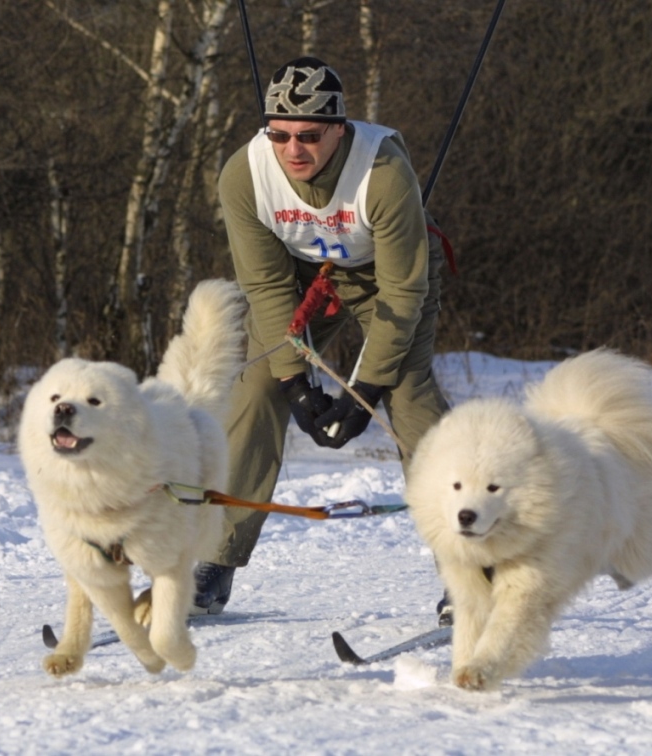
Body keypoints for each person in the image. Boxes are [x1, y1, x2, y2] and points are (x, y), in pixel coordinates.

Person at [192, 57, 451, 621]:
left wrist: (365, 393)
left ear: (340, 129)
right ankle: (215, 560)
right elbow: (263, 283)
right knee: (258, 385)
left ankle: (467, 565)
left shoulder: (382, 173)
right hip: (304, 277)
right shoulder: (244, 174)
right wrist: (294, 382)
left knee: (408, 395)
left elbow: (404, 294)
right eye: (279, 135)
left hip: (389, 277)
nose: (293, 150)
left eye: (309, 136)